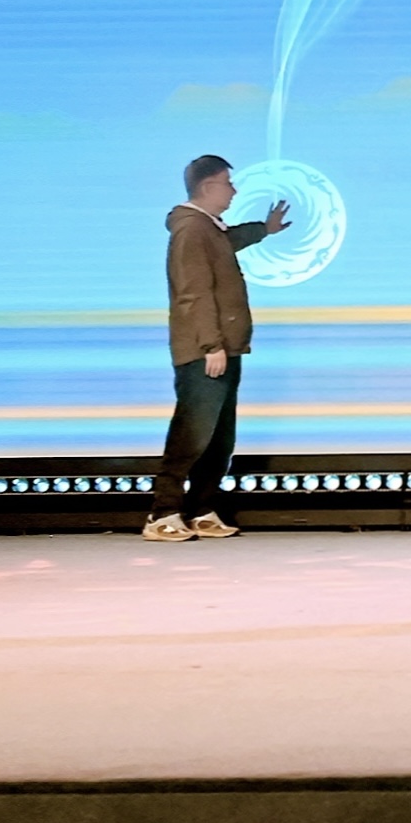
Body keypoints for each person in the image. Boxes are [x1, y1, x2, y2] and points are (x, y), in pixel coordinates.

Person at [150, 154, 287, 544]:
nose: (233, 191)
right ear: (208, 186)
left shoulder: (208, 229)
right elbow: (193, 292)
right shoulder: (191, 229)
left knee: (219, 437)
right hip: (205, 351)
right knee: (192, 433)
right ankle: (164, 512)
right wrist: (210, 344)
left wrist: (264, 229)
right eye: (228, 183)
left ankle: (200, 509)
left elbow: (227, 243)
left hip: (226, 347)